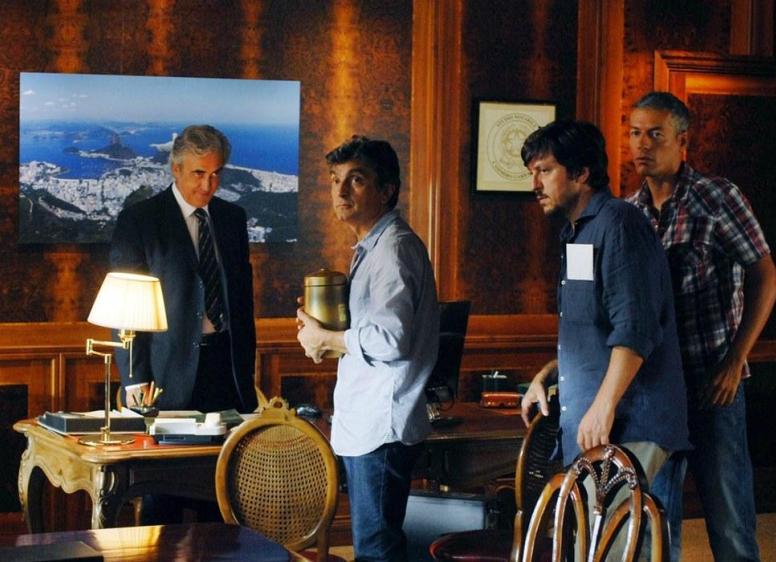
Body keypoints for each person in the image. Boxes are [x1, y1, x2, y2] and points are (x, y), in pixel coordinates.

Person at [519, 119, 691, 554]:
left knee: (618, 551)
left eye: (545, 171)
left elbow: (636, 328)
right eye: (532, 172)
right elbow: (595, 327)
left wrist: (603, 405)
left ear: (581, 173)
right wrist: (548, 374)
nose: (535, 184)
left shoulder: (620, 224)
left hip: (631, 422)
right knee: (593, 550)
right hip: (599, 425)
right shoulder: (581, 231)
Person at [628, 91, 776, 562]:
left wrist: (736, 359)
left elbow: (764, 274)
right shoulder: (630, 212)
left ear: (682, 141)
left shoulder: (716, 197)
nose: (642, 144)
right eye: (635, 133)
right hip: (656, 390)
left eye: (655, 134)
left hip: (713, 384)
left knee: (730, 521)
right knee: (656, 522)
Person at [296, 135, 439, 562]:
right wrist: (323, 333)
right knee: (376, 549)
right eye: (335, 179)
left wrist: (327, 339)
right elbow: (374, 333)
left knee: (376, 553)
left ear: (387, 189)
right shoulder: (374, 247)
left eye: (356, 180)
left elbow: (391, 339)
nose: (340, 190)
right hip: (372, 425)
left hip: (381, 427)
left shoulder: (392, 249)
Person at [110, 124, 258, 414]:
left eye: (216, 174)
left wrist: (246, 369)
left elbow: (242, 302)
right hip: (167, 372)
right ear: (175, 169)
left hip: (228, 369)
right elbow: (125, 308)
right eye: (199, 173)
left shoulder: (233, 219)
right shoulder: (140, 221)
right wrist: (134, 379)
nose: (208, 185)